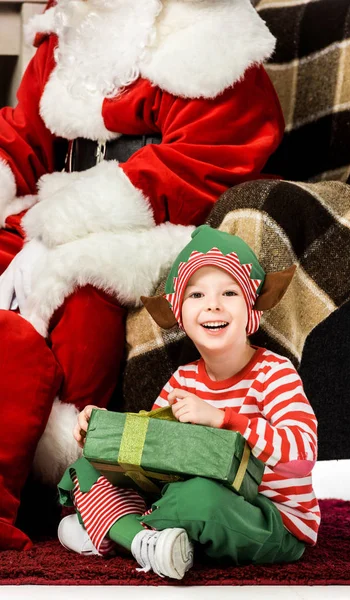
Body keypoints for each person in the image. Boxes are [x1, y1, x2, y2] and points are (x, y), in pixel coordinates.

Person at [0, 0, 284, 550]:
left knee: (82, 302)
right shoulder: (71, 28)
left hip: (148, 218)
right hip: (51, 209)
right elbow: (25, 139)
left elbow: (208, 158)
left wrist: (64, 230)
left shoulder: (208, 36)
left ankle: (73, 483)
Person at [57, 225, 320, 580]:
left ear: (251, 311)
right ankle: (147, 542)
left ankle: (118, 533)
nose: (212, 304)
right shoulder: (183, 379)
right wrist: (106, 430)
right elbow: (148, 448)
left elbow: (302, 456)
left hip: (268, 517)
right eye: (196, 296)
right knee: (89, 466)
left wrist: (224, 418)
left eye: (229, 292)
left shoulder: (275, 373)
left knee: (199, 497)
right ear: (179, 314)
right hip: (186, 500)